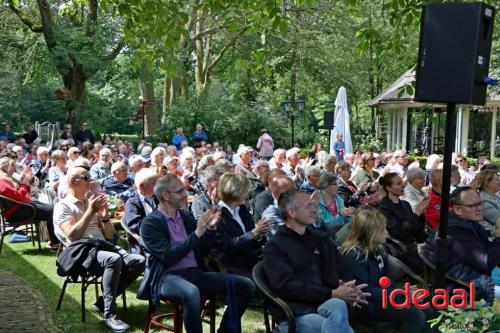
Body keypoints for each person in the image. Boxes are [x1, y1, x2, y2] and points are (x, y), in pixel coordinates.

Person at [137, 174, 255, 333]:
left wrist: (211, 230)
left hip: (195, 273)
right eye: (179, 191)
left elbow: (203, 250)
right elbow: (168, 257)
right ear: (165, 195)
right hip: (167, 277)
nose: (185, 194)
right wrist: (197, 233)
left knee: (245, 285)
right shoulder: (150, 223)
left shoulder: (185, 216)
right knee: (191, 292)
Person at [263, 189, 369, 333]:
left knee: (337, 307)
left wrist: (350, 290)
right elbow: (285, 286)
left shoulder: (320, 238)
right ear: (292, 212)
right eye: (308, 206)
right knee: (341, 324)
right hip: (297, 312)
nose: (314, 209)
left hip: (327, 304)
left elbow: (343, 268)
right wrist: (330, 293)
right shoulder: (275, 246)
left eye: (313, 205)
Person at [53, 166, 145, 331]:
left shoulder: (91, 203)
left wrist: (104, 218)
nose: (91, 180)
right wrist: (90, 211)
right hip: (82, 253)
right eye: (86, 177)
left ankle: (102, 303)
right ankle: (109, 315)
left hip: (102, 247)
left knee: (139, 261)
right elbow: (72, 236)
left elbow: (109, 236)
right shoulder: (63, 206)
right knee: (113, 259)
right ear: (74, 182)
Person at [341, 206, 431, 333]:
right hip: (367, 304)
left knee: (426, 306)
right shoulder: (354, 255)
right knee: (415, 315)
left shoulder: (379, 248)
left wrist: (403, 292)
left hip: (383, 296)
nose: (387, 232)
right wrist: (400, 293)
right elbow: (365, 290)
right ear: (371, 232)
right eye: (383, 229)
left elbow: (386, 280)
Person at [424, 187, 500, 304]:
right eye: (472, 206)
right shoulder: (455, 230)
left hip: (478, 275)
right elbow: (486, 262)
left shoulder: (469, 223)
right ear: (457, 209)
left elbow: (487, 250)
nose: (479, 208)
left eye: (480, 203)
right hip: (463, 285)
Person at [215, 173, 271, 277]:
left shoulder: (242, 210)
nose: (247, 193)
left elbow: (252, 240)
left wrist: (260, 233)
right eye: (245, 190)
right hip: (235, 266)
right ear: (235, 191)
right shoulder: (217, 215)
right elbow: (227, 246)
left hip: (252, 258)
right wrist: (254, 233)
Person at [0, 156, 60, 250]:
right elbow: (18, 196)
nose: (14, 169)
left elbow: (20, 194)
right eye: (12, 166)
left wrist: (24, 179)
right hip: (16, 212)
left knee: (52, 208)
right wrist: (24, 183)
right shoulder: (1, 182)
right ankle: (54, 243)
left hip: (21, 207)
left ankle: (54, 240)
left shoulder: (5, 179)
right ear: (4, 167)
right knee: (51, 210)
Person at [378, 172, 426, 273]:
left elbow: (417, 229)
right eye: (398, 184)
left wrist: (421, 214)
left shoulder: (405, 204)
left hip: (412, 243)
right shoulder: (383, 207)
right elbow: (398, 232)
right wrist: (416, 213)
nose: (403, 185)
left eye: (402, 183)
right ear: (388, 188)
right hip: (400, 249)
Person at [124, 168, 159, 253]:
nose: (157, 186)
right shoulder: (132, 202)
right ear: (142, 186)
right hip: (146, 240)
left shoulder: (156, 198)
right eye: (154, 183)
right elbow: (135, 225)